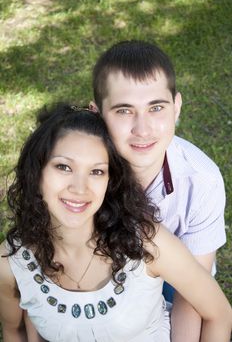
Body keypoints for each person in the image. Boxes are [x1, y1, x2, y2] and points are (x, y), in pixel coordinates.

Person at [0, 103, 231, 342]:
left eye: (97, 171)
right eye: (63, 167)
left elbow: (219, 313)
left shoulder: (148, 244)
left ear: (111, 181)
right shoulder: (12, 263)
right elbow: (13, 331)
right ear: (36, 172)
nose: (79, 188)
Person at [90, 40, 228, 341]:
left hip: (175, 280)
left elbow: (190, 294)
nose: (143, 129)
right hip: (100, 270)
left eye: (156, 107)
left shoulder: (201, 181)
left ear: (176, 108)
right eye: (124, 110)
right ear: (97, 114)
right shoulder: (81, 175)